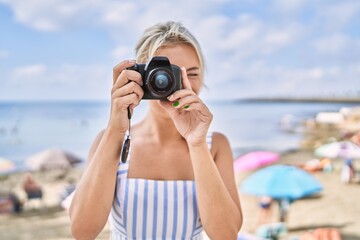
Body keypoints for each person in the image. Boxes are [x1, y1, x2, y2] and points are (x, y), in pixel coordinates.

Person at [69, 21, 243, 239]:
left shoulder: (215, 145)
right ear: (139, 77)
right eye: (167, 74)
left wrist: (196, 144)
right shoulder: (111, 140)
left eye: (192, 74)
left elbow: (226, 235)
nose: (179, 84)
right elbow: (82, 232)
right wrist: (116, 128)